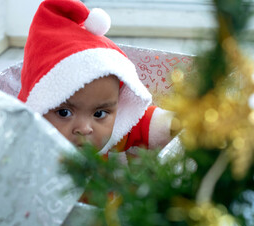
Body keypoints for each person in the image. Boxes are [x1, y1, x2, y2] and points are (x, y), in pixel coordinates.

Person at [18, 0, 176, 155]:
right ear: (36, 109)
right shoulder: (30, 158)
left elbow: (147, 123)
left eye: (99, 114)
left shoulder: (115, 132)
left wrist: (178, 126)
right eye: (64, 112)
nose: (84, 129)